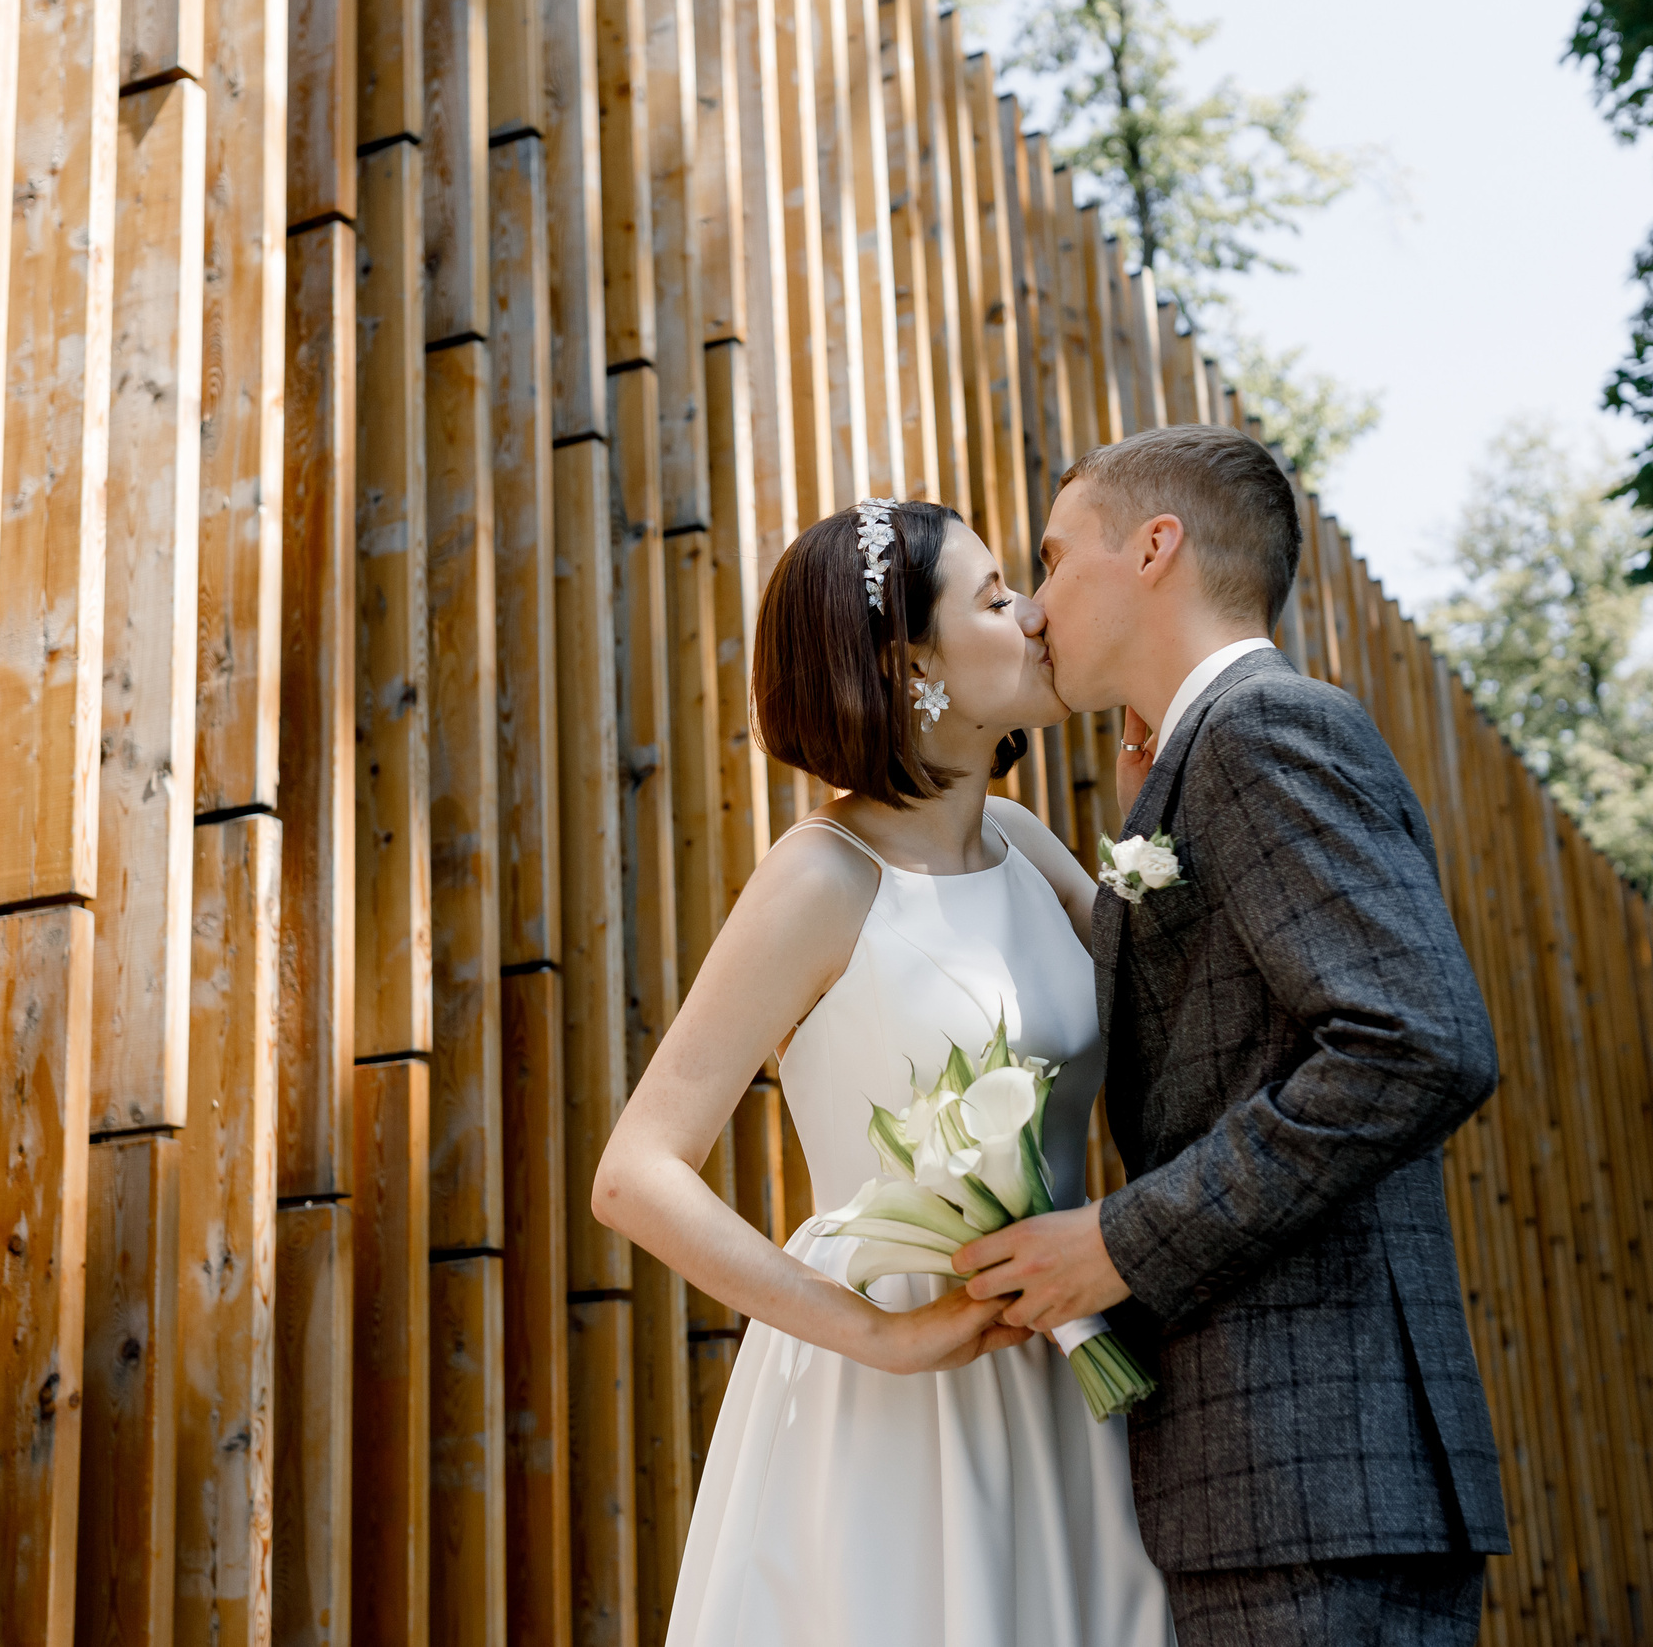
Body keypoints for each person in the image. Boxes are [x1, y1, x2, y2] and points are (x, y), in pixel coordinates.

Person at [953, 424, 1512, 1645]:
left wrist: (1118, 1242)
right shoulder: (1204, 753)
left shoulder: (1264, 730)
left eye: (1050, 559)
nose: (1036, 609)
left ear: (1155, 548)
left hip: (1317, 1479)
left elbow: (1414, 1042)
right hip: (1281, 1486)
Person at [591, 499, 1176, 1647]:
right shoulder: (821, 878)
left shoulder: (1029, 846)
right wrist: (882, 1335)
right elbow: (634, 1174)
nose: (1036, 616)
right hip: (898, 1388)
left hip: (1061, 1356)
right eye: (998, 596)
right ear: (910, 662)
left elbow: (1181, 1009)